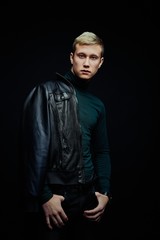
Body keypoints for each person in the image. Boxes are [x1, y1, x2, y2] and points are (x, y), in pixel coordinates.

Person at [20, 31, 112, 240]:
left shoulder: (98, 104)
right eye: (81, 56)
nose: (87, 63)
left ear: (101, 62)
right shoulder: (45, 92)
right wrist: (44, 197)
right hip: (56, 197)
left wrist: (104, 192)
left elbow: (101, 150)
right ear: (72, 57)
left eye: (93, 57)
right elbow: (31, 150)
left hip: (88, 197)